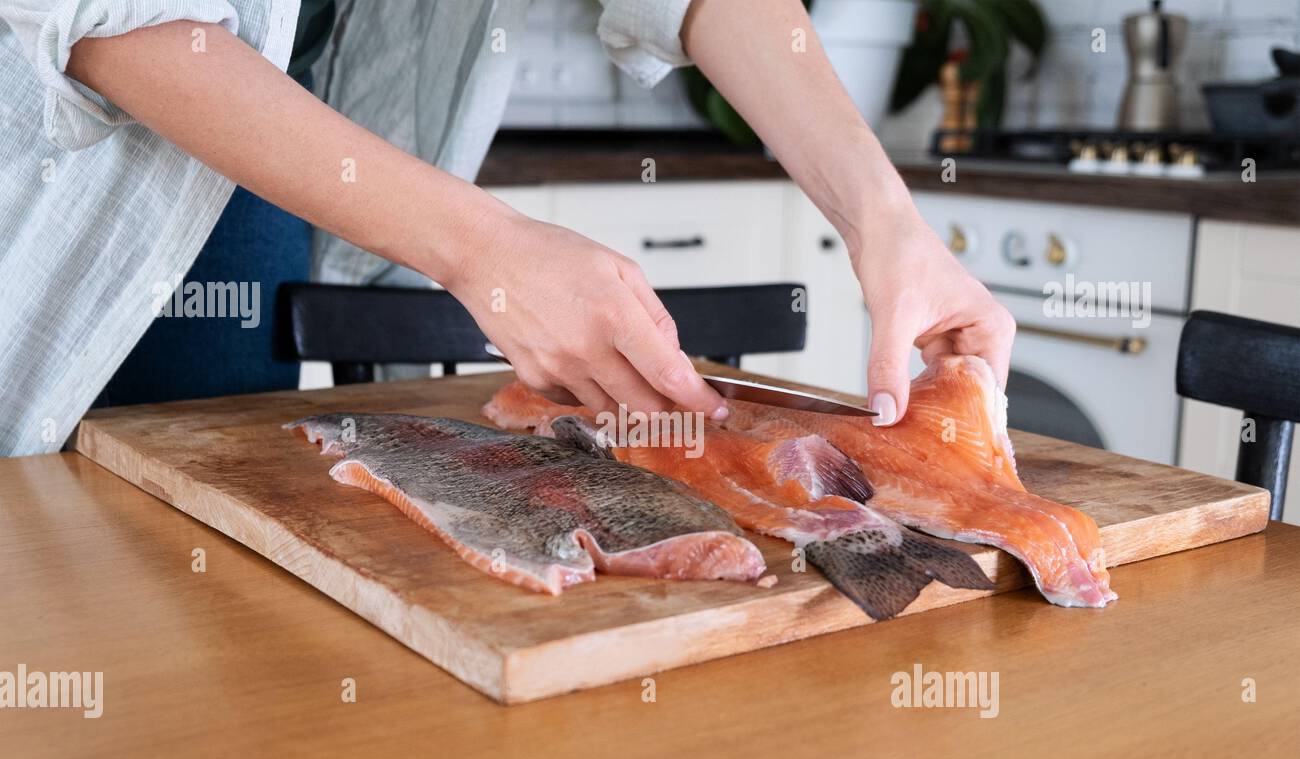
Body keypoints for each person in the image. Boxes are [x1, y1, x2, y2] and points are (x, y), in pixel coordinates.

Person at [0, 0, 1013, 457]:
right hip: (80, 163)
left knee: (181, 543)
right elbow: (105, 20)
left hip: (267, 158)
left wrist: (887, 223)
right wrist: (484, 248)